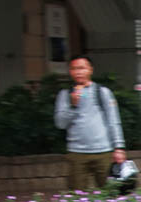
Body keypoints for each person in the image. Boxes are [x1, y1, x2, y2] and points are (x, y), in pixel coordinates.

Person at [54, 54, 126, 191]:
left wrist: (119, 147)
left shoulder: (102, 92)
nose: (78, 72)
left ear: (90, 70)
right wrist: (73, 105)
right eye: (74, 68)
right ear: (70, 72)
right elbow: (60, 124)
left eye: (82, 68)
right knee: (76, 197)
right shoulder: (65, 95)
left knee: (111, 194)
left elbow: (113, 120)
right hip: (77, 153)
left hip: (103, 151)